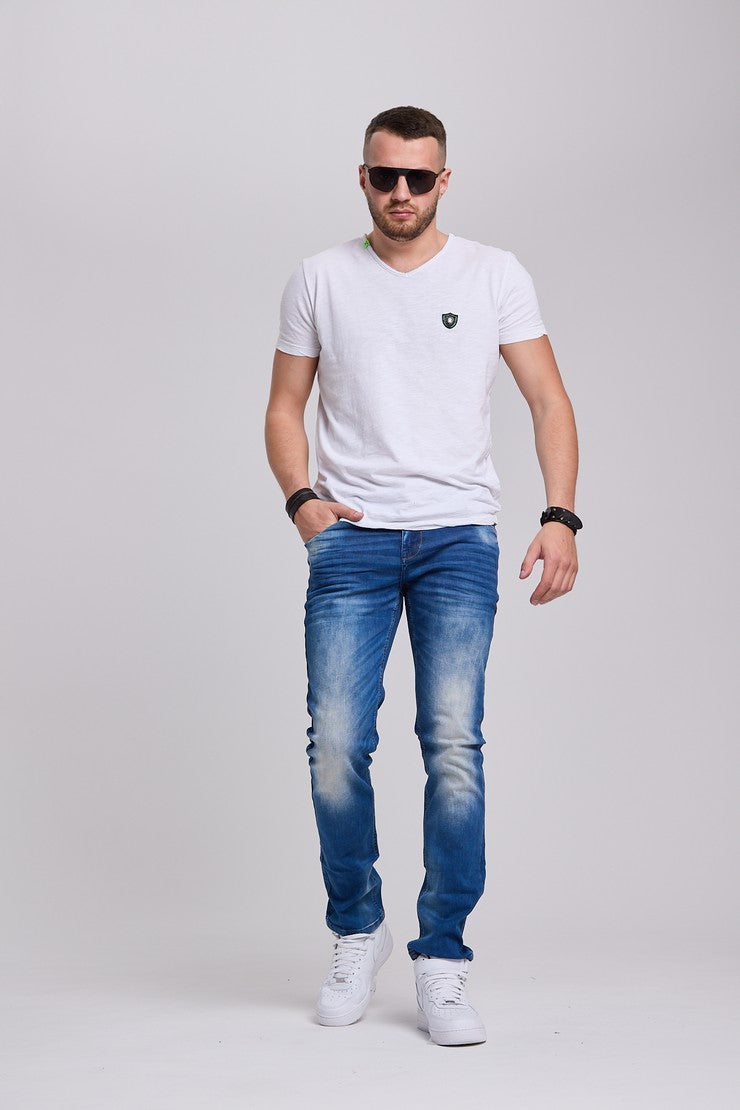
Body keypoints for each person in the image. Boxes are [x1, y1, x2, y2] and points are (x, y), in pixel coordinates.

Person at [264, 105, 581, 1047]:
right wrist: (302, 500)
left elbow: (548, 398)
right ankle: (356, 928)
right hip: (353, 541)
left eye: (417, 177)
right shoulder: (320, 277)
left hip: (456, 540)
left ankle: (441, 954)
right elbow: (284, 405)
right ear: (362, 178)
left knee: (453, 745)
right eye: (383, 175)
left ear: (444, 182)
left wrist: (560, 515)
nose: (399, 192)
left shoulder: (493, 273)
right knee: (335, 744)